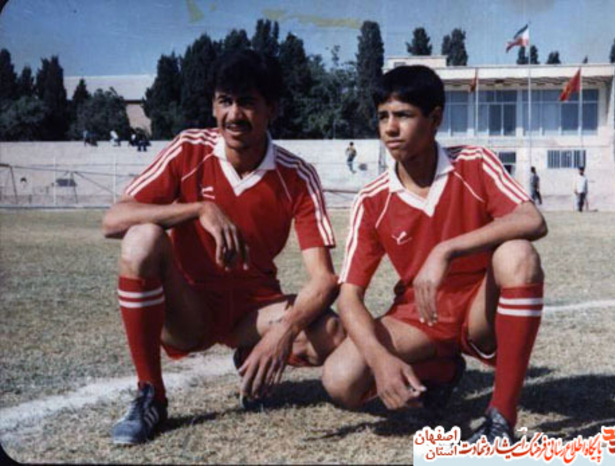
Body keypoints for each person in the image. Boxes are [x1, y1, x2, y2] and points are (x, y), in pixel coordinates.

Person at [102, 50, 344, 445]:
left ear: (272, 109)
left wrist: (283, 332)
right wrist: (199, 209)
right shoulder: (189, 149)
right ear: (214, 106)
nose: (233, 115)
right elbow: (113, 220)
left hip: (254, 311)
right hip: (189, 310)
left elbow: (324, 280)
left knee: (332, 333)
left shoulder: (297, 175)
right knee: (141, 239)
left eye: (247, 102)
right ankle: (150, 394)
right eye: (224, 101)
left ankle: (251, 357)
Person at [322, 65, 547, 443]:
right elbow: (349, 297)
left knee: (518, 254)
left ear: (435, 118)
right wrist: (380, 359)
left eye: (404, 115)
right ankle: (441, 371)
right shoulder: (372, 199)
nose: (390, 128)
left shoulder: (474, 163)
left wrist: (446, 249)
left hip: (480, 309)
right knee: (340, 380)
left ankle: (501, 417)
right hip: (421, 315)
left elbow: (532, 219)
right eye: (383, 116)